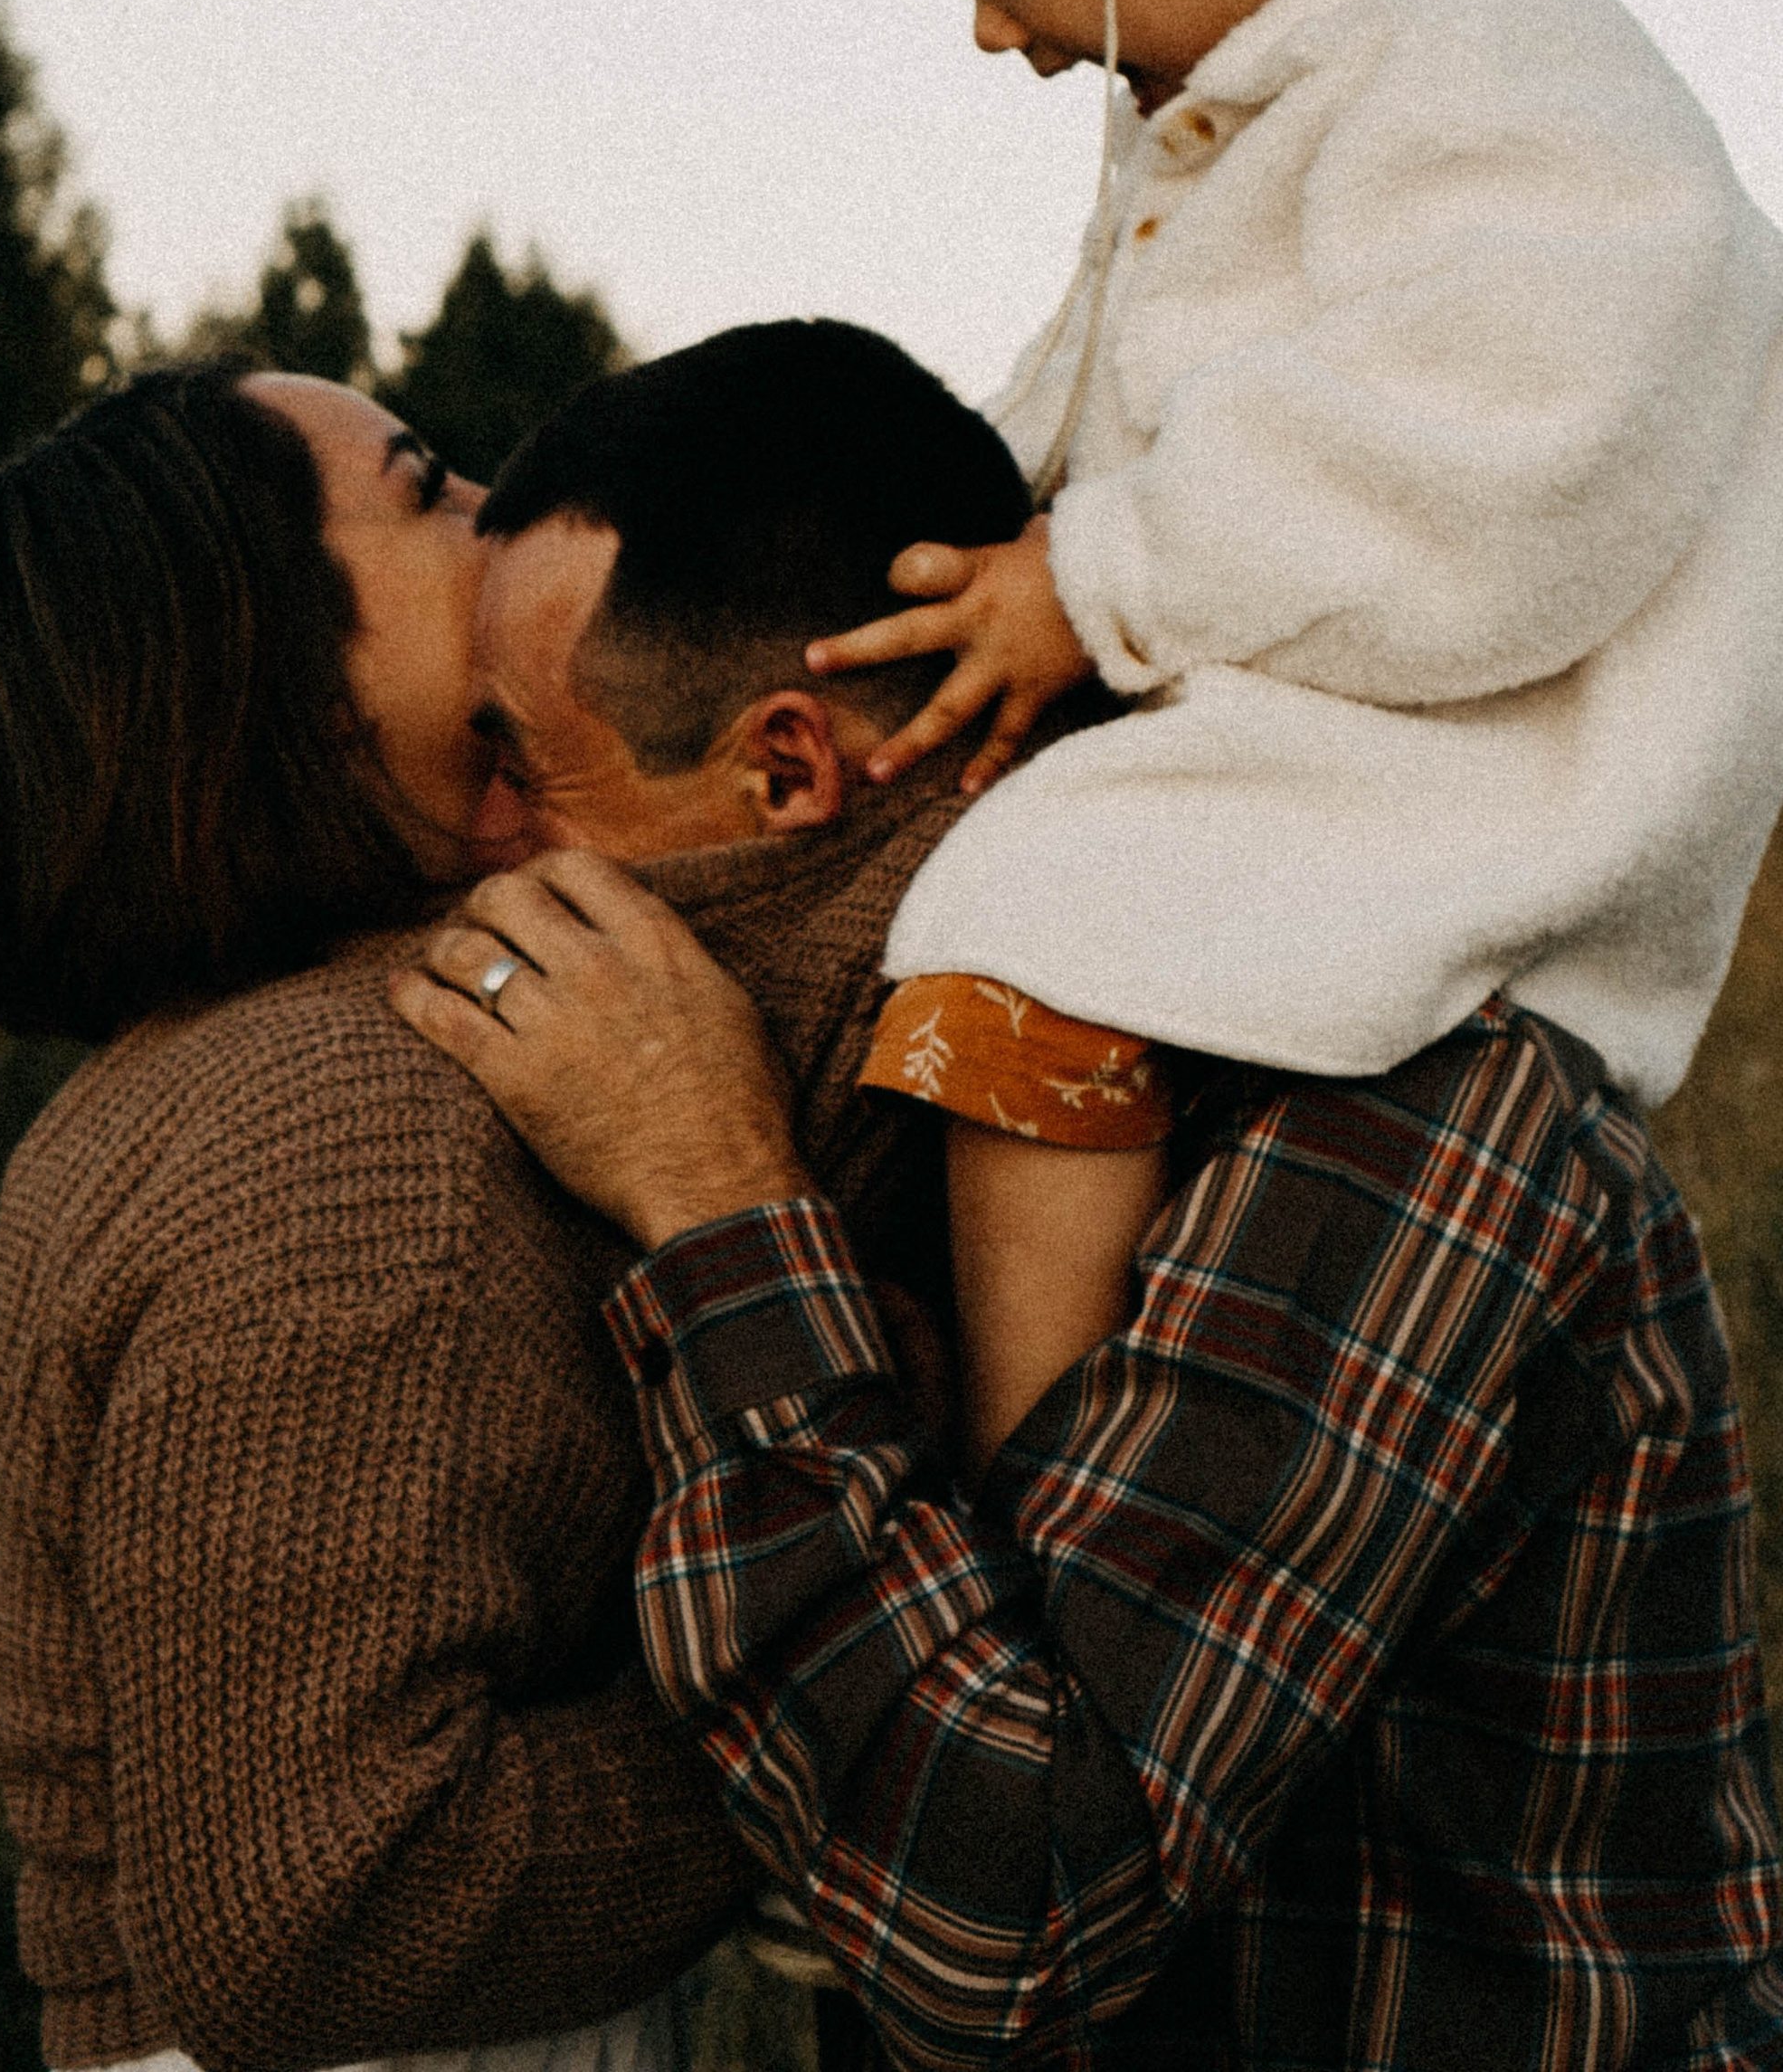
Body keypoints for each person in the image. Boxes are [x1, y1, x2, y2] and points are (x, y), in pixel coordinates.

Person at [0, 329, 1062, 2072]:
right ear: (278, 681)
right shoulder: (349, 1131)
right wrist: (832, 1741)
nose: (506, 507)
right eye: (429, 489)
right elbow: (311, 1921)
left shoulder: (264, 1063)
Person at [763, 0, 1783, 1268]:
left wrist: (1095, 583)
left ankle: (1038, 1466)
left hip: (1491, 777)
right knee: (915, 895)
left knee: (1027, 922)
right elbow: (1092, 407)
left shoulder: (1500, 69)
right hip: (1332, 727)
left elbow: (1509, 443)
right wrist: (950, 549)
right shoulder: (1241, 90)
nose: (992, 34)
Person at [398, 830, 1783, 2069]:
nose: (509, 854)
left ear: (789, 764)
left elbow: (1004, 1926)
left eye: (532, 771)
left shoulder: (1398, 1106)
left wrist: (708, 1190)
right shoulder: (970, 1048)